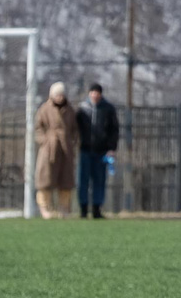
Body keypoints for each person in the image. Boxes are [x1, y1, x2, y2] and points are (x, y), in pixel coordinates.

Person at [75, 82, 120, 220]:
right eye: (93, 92)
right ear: (89, 93)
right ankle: (83, 209)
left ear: (100, 94)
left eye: (97, 92)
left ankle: (96, 209)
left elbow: (114, 130)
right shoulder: (82, 109)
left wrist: (111, 148)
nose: (95, 95)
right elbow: (75, 129)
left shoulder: (108, 109)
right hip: (85, 150)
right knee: (83, 180)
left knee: (99, 180)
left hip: (102, 151)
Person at [34, 81, 77, 219]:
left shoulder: (70, 110)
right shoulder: (44, 109)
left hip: (65, 149)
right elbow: (37, 128)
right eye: (57, 94)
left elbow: (75, 129)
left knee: (66, 180)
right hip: (49, 149)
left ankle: (64, 209)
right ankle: (45, 209)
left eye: (62, 94)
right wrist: (45, 141)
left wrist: (72, 141)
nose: (60, 97)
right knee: (45, 180)